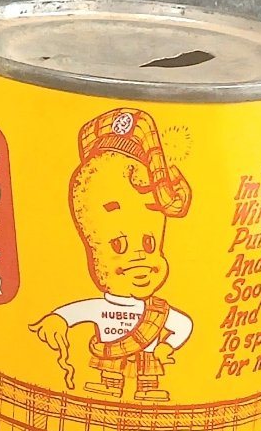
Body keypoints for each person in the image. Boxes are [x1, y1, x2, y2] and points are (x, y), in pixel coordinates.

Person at [30, 108, 193, 401]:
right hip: (110, 354)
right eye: (119, 246)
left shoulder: (158, 312)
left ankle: (147, 389)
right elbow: (79, 311)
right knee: (110, 368)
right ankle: (109, 385)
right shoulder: (104, 306)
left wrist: (167, 346)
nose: (139, 259)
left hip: (148, 356)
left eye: (149, 244)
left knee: (147, 370)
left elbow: (182, 325)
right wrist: (57, 320)